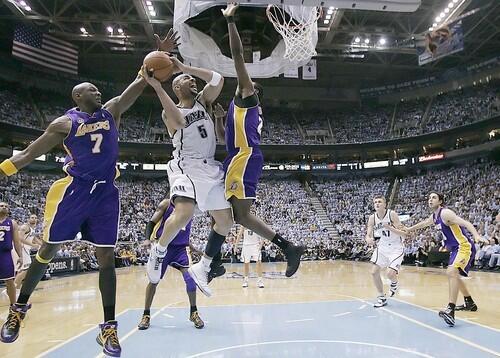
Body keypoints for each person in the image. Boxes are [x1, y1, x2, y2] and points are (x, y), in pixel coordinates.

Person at [0, 69, 148, 356]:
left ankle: (108, 328)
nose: (98, 92)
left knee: (106, 258)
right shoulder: (64, 123)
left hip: (106, 194)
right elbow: (29, 153)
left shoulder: (111, 111)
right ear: (78, 96)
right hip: (75, 191)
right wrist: (4, 169)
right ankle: (18, 310)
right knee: (48, 250)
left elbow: (135, 87)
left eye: (98, 89)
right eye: (92, 89)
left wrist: (150, 70)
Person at [188, 3, 305, 293]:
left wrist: (230, 22)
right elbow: (224, 140)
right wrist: (218, 121)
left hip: (244, 157)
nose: (244, 81)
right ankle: (213, 262)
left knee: (238, 215)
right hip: (236, 156)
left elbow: (238, 55)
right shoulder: (235, 108)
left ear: (252, 90)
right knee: (222, 212)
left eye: (248, 82)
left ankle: (287, 247)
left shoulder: (247, 96)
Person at [143, 52, 233, 299]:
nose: (192, 82)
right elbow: (178, 121)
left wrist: (186, 67)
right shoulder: (168, 112)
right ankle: (158, 251)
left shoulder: (204, 102)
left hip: (210, 167)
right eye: (185, 79)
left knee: (225, 222)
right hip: (186, 166)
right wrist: (157, 87)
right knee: (184, 213)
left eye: (192, 80)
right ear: (176, 87)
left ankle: (203, 267)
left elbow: (218, 80)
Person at [404, 192, 485, 327]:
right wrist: (409, 229)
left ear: (440, 201)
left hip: (464, 246)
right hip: (455, 249)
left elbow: (466, 223)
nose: (430, 200)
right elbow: (424, 223)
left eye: (434, 197)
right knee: (454, 275)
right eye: (429, 198)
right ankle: (469, 302)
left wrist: (476, 236)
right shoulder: (434, 216)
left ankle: (450, 310)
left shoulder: (445, 213)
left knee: (451, 272)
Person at [138, 198, 204, 330]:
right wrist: (146, 239)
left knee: (190, 278)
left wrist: (193, 248)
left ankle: (194, 312)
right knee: (154, 281)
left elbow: (182, 232)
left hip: (180, 249)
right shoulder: (166, 204)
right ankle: (146, 314)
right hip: (163, 247)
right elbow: (151, 223)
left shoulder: (191, 207)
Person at [365, 196, 405, 308]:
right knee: (373, 272)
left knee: (390, 273)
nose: (377, 204)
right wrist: (368, 239)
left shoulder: (392, 214)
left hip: (396, 247)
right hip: (382, 247)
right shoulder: (372, 218)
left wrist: (390, 228)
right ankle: (381, 297)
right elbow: (368, 234)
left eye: (379, 202)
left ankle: (394, 282)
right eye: (375, 202)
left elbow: (403, 233)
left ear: (385, 204)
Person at [0, 202, 23, 305]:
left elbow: (17, 241)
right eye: (1, 206)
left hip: (5, 255)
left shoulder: (12, 223)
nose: (4, 207)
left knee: (10, 281)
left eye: (6, 206)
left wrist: (20, 256)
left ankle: (13, 305)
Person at [14, 214, 41, 288]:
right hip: (21, 248)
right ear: (28, 219)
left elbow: (34, 237)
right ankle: (10, 290)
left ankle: (16, 290)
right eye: (32, 217)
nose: (34, 219)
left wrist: (42, 245)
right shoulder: (25, 227)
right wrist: (33, 245)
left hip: (24, 249)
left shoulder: (32, 229)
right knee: (27, 270)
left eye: (35, 218)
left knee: (21, 271)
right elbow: (19, 238)